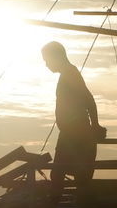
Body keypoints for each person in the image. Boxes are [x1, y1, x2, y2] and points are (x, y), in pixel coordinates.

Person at [41, 41, 103, 188]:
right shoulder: (68, 73)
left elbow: (89, 99)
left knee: (59, 176)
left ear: (56, 57)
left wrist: (95, 124)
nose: (46, 64)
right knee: (69, 176)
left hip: (73, 133)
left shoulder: (70, 73)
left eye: (47, 60)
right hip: (71, 132)